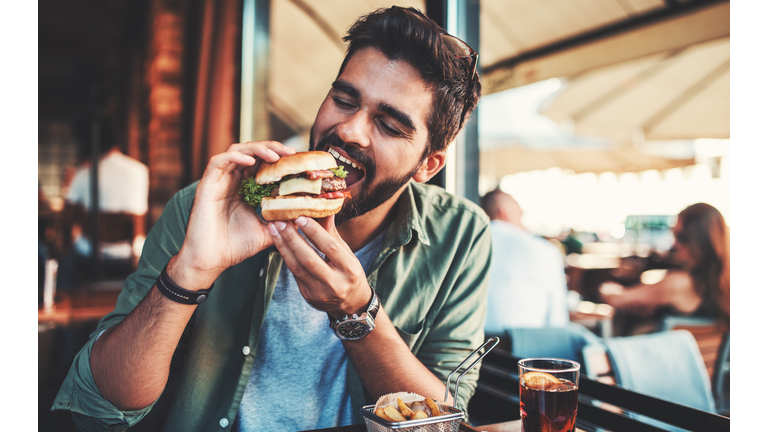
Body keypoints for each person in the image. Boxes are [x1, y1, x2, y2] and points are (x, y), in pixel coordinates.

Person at [52, 7, 490, 432]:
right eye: (343, 99)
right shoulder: (205, 207)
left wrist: (357, 311)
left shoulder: (460, 236)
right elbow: (96, 412)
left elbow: (442, 425)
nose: (351, 130)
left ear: (428, 165)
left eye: (390, 126)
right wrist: (190, 272)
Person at [599, 203, 730, 326]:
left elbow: (616, 299)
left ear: (700, 241)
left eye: (681, 236)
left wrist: (609, 290)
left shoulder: (680, 285)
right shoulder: (725, 286)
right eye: (674, 234)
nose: (674, 244)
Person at [58, 119, 149, 286]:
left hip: (92, 254)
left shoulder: (84, 173)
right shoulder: (140, 171)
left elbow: (68, 216)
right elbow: (141, 214)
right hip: (131, 252)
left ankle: (66, 302)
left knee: (63, 270)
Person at [480, 189, 570, 334]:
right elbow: (557, 320)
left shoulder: (464, 244)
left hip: (471, 348)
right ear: (506, 212)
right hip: (520, 346)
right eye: (521, 215)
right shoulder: (543, 249)